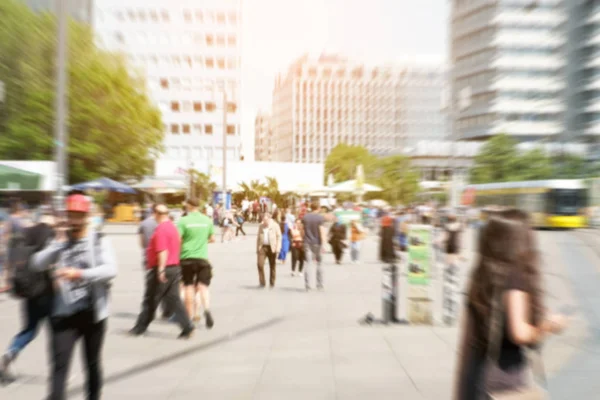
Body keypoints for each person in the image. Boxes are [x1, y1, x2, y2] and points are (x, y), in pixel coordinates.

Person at [453, 214, 567, 400]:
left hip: (480, 373)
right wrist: (549, 325)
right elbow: (519, 332)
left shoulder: (483, 275)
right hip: (506, 378)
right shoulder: (515, 277)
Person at [30, 194, 117, 400]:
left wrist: (79, 274)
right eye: (71, 215)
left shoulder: (99, 240)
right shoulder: (60, 241)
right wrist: (58, 245)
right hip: (63, 314)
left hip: (93, 314)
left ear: (87, 216)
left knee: (92, 363)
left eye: (79, 215)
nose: (74, 220)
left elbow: (111, 269)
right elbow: (36, 263)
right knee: (59, 368)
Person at [0, 208, 55, 383]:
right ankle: (58, 369)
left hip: (28, 290)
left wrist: (8, 279)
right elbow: (51, 264)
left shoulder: (26, 233)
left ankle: (11, 352)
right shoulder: (49, 234)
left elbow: (12, 258)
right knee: (56, 332)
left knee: (29, 328)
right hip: (46, 292)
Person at [130, 204, 195, 339]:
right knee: (174, 299)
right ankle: (187, 327)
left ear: (156, 214)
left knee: (151, 299)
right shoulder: (172, 227)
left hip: (162, 268)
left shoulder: (160, 230)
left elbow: (162, 250)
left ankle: (140, 328)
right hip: (174, 267)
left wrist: (160, 270)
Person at [177, 198, 215, 328]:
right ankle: (207, 310)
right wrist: (201, 242)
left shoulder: (183, 221)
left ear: (188, 206)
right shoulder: (207, 220)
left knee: (188, 286)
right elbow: (212, 239)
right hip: (202, 258)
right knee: (203, 287)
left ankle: (189, 317)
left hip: (187, 258)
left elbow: (178, 240)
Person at [1, 199, 26, 291]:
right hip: (17, 245)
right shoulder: (17, 219)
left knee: (10, 266)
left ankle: (9, 285)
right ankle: (11, 285)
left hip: (14, 245)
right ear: (18, 209)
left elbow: (5, 232)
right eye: (22, 209)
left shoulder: (12, 218)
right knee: (14, 265)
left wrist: (4, 242)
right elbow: (6, 232)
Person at [302, 202, 326, 291]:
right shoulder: (320, 218)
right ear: (318, 208)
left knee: (308, 263)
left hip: (307, 242)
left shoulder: (305, 217)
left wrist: (302, 240)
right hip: (317, 243)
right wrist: (324, 244)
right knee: (319, 263)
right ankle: (319, 284)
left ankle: (307, 285)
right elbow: (322, 231)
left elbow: (302, 230)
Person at [256, 212, 282, 288]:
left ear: (269, 219)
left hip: (272, 247)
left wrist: (278, 248)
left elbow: (279, 237)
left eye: (266, 220)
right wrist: (257, 248)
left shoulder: (275, 225)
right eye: (263, 220)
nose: (264, 222)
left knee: (272, 265)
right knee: (259, 264)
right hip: (262, 247)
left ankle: (272, 282)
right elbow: (258, 238)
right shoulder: (261, 226)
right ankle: (262, 282)